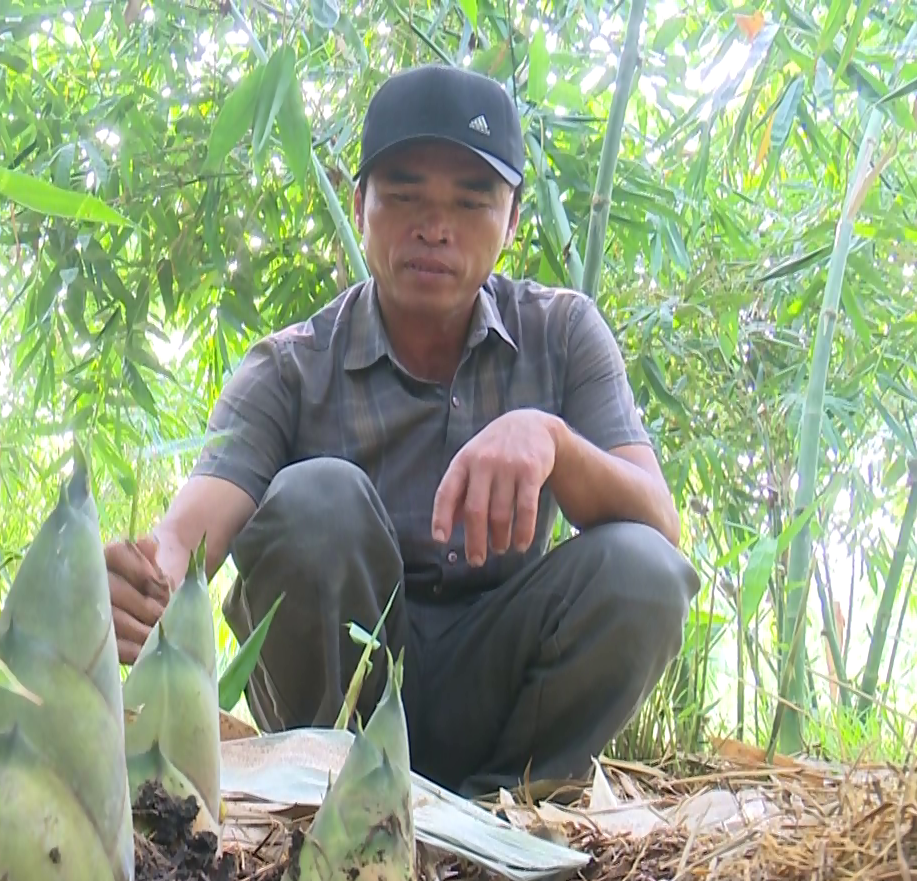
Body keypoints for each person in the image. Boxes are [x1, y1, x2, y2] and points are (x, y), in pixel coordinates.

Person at [104, 63, 701, 799]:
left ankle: (509, 817)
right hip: (337, 710)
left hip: (506, 694)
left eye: (471, 201)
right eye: (406, 195)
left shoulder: (563, 333)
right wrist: (140, 582)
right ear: (360, 206)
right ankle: (345, 811)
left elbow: (659, 526)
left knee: (644, 570)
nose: (434, 228)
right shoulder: (289, 369)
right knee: (317, 497)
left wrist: (552, 440)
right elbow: (190, 533)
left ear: (511, 222)